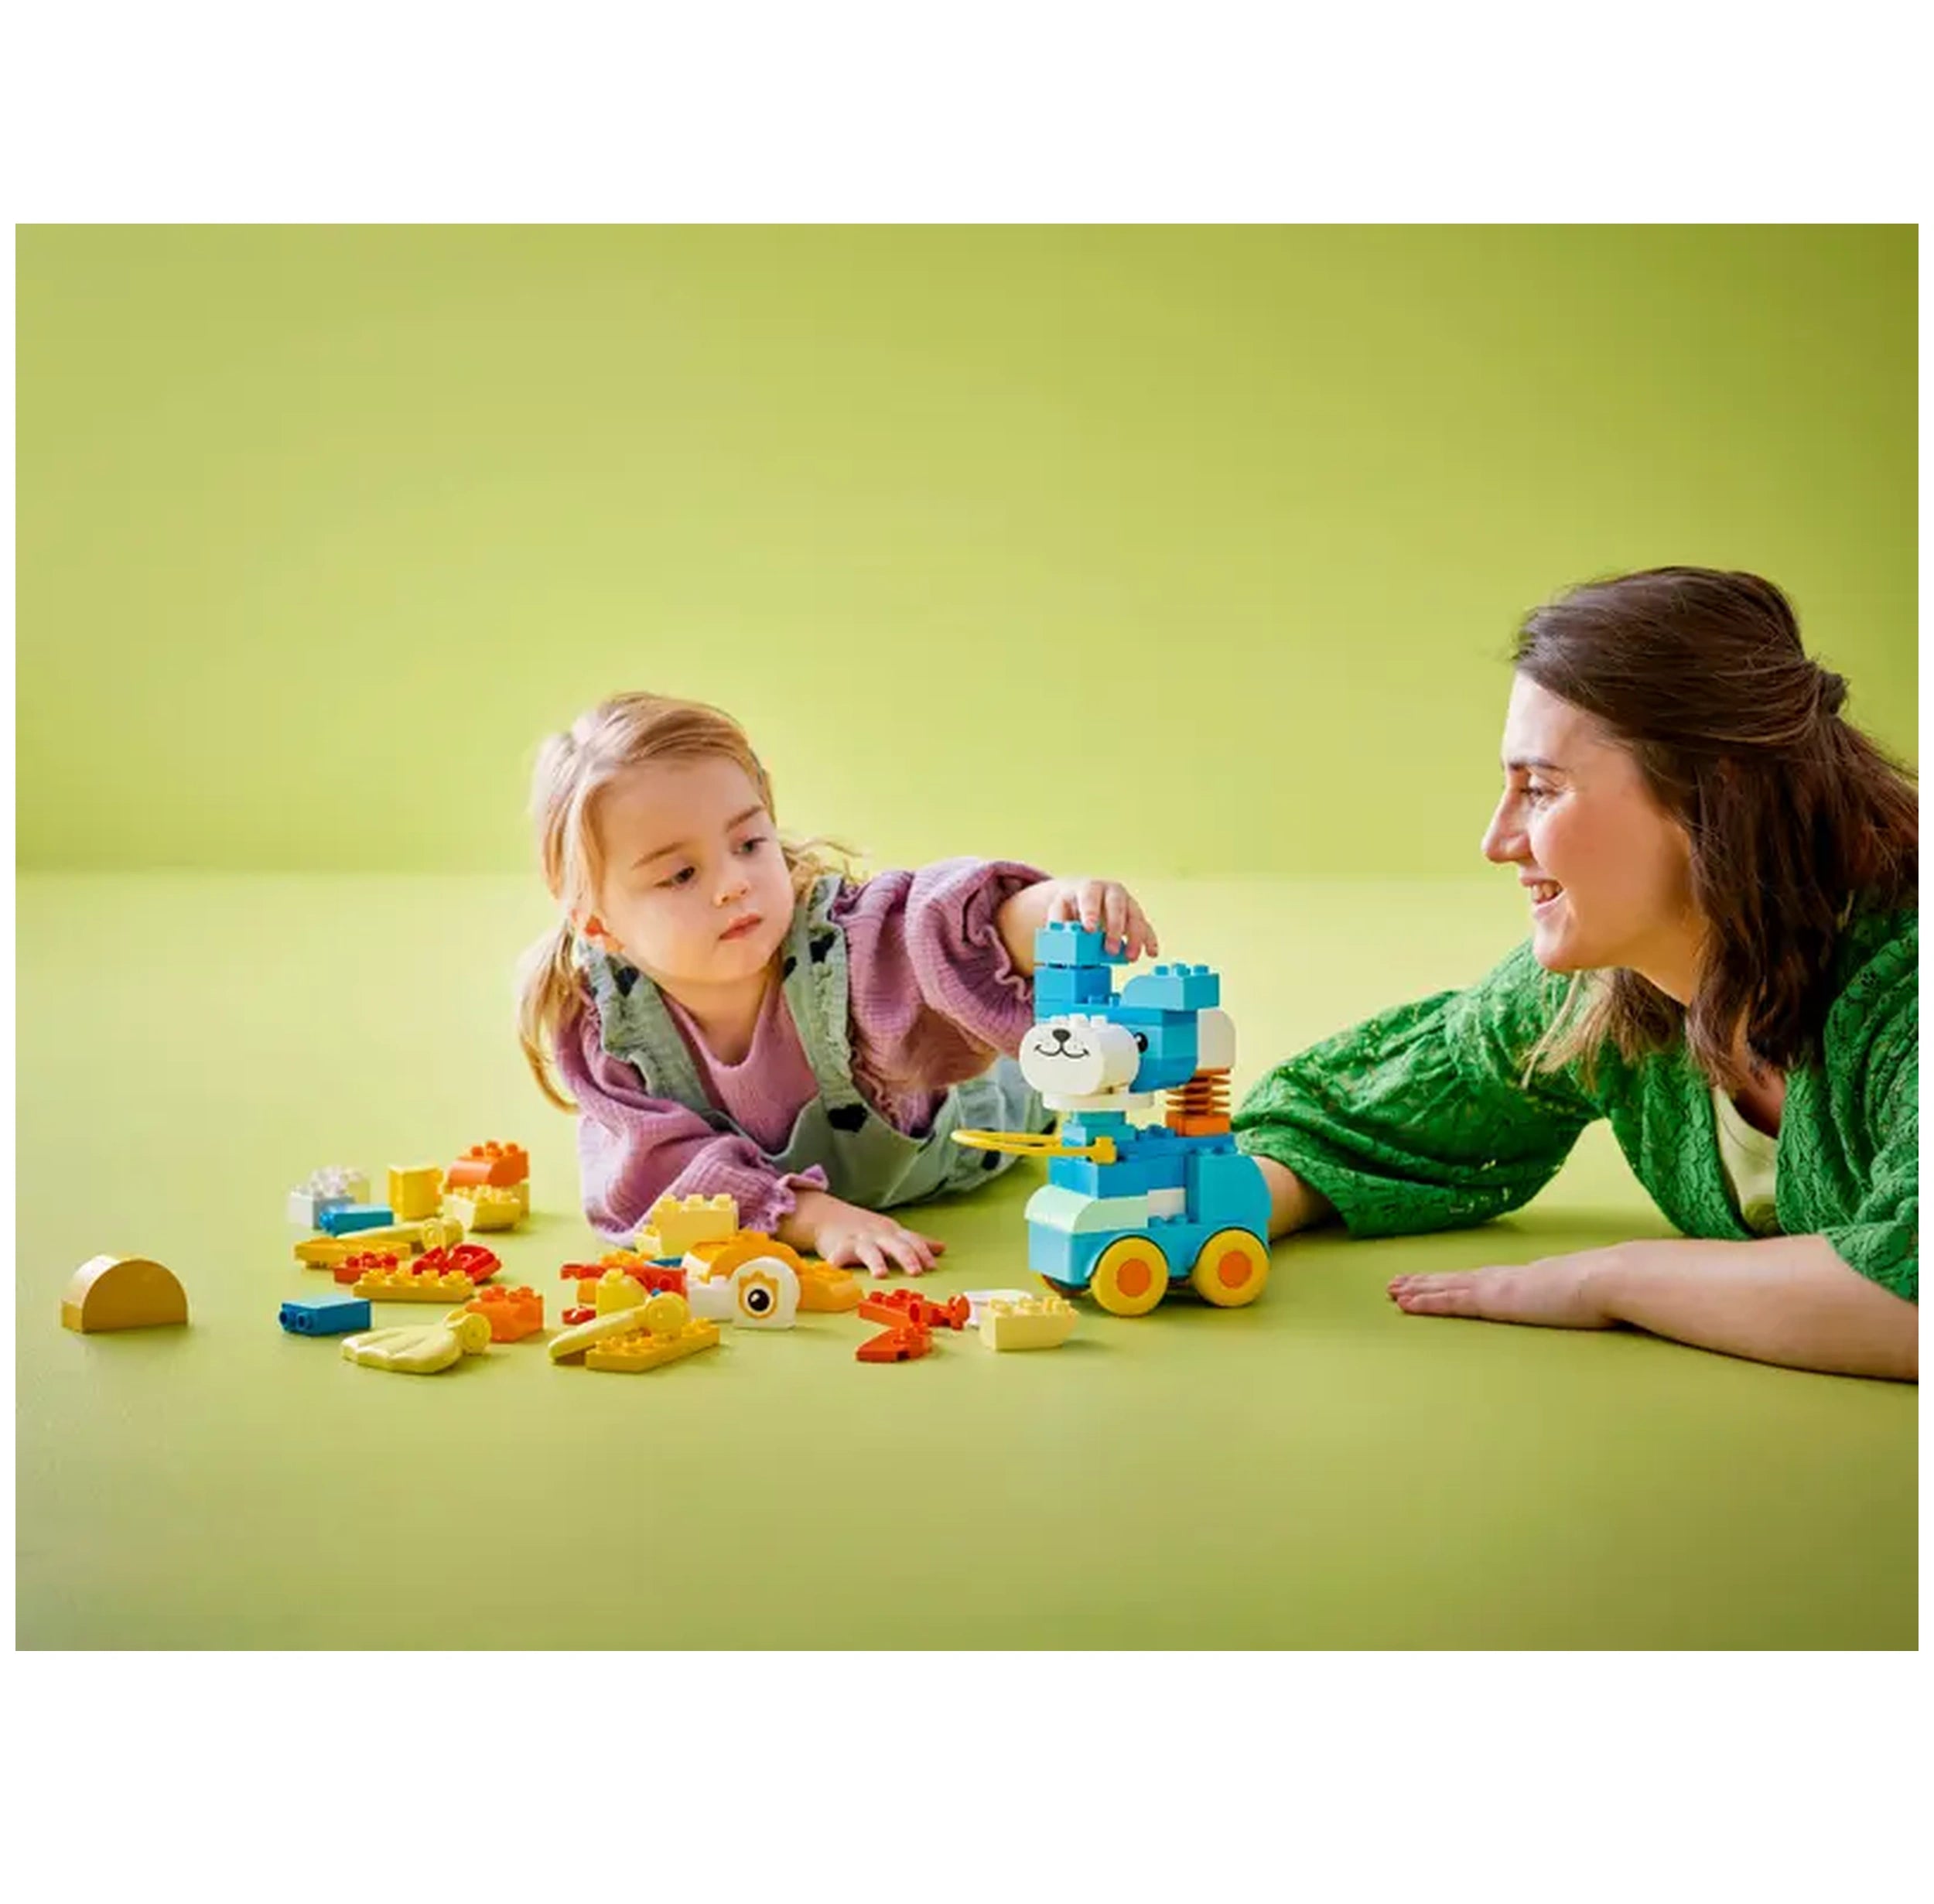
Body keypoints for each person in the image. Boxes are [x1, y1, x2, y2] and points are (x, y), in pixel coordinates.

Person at [1233, 568, 1918, 1381]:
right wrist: (1208, 1213)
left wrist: (1610, 1280)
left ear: (1715, 790)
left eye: (1541, 789)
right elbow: (1364, 1123)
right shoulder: (1604, 988)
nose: (1497, 840)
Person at [517, 692, 1159, 1277]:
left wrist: (1057, 909)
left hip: (972, 1124)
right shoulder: (613, 1029)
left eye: (748, 842)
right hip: (810, 1198)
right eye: (681, 875)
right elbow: (655, 1177)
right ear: (598, 922)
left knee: (1047, 1067)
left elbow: (931, 930)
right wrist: (813, 1218)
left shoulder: (842, 949)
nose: (733, 882)